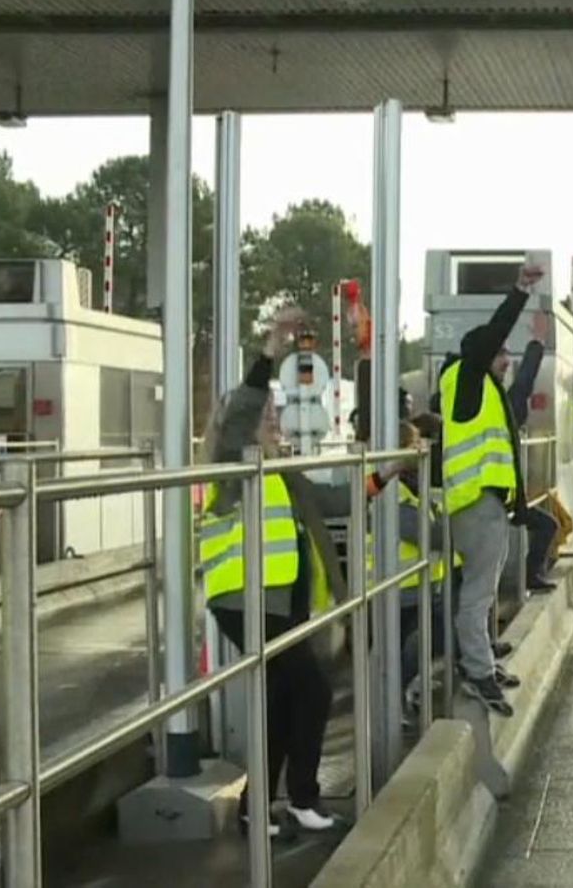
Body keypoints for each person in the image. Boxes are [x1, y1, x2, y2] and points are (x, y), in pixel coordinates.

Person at [197, 307, 345, 835]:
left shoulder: (279, 470)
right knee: (311, 690)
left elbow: (330, 501)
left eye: (277, 418)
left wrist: (386, 474)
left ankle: (255, 808)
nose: (275, 424)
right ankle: (303, 797)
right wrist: (270, 351)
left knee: (286, 699)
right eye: (269, 419)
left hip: (277, 600)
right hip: (245, 596)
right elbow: (241, 413)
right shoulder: (234, 466)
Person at [439, 263, 543, 716]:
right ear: (481, 354)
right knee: (478, 593)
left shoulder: (482, 389)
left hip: (488, 503)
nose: (507, 359)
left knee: (484, 589)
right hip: (474, 503)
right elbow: (493, 334)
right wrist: (519, 292)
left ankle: (484, 660)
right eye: (501, 352)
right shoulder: (467, 377)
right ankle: (478, 673)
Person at [506, 340, 562, 593]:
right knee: (547, 525)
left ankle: (531, 574)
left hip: (504, 498)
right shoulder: (503, 415)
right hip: (497, 501)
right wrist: (535, 351)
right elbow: (521, 387)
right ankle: (531, 575)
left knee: (547, 524)